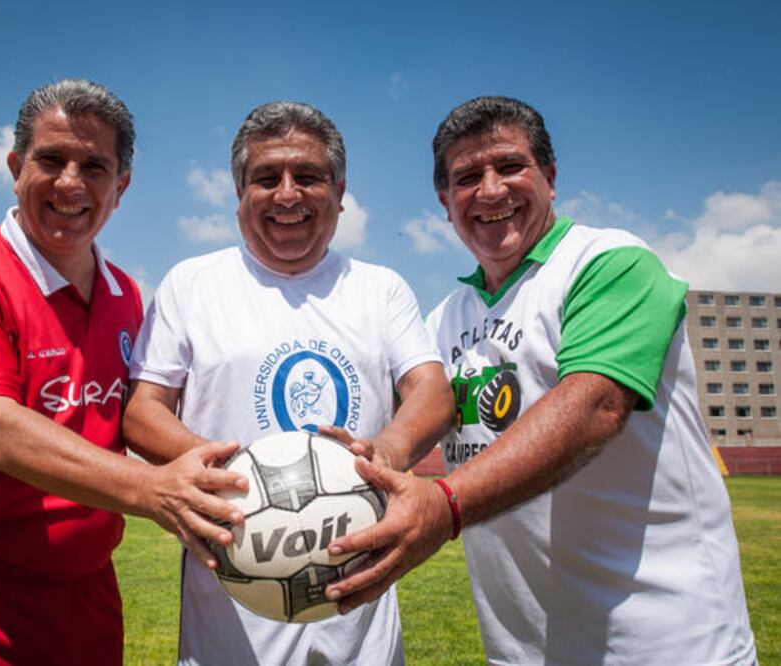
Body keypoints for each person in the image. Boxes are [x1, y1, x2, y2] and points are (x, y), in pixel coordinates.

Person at [325, 96, 758, 664]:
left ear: (550, 178)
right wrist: (384, 449)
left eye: (510, 166)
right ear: (444, 203)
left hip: (667, 642)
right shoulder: (445, 318)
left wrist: (443, 507)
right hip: (523, 650)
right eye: (466, 177)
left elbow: (592, 406)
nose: (490, 190)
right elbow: (426, 409)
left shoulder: (611, 263)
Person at [0, 79, 246, 666]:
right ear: (15, 167)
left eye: (94, 166)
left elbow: (134, 417)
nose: (71, 183)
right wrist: (151, 490)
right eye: (51, 160)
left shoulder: (126, 293)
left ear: (120, 186)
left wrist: (235, 471)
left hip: (89, 594)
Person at [124, 101, 452, 665]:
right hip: (230, 610)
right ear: (238, 193)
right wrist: (231, 476)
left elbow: (432, 391)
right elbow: (142, 412)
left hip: (360, 613)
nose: (287, 194)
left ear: (340, 190)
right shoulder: (191, 284)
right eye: (266, 178)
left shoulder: (380, 288)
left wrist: (388, 450)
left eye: (307, 176)